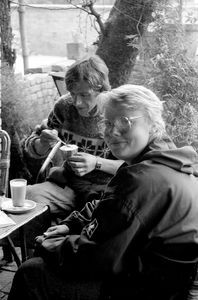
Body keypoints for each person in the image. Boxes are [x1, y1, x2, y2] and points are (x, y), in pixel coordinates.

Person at [8, 84, 198, 300]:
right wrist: (71, 224)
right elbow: (108, 208)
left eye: (125, 121)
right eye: (107, 122)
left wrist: (51, 245)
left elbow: (97, 258)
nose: (112, 131)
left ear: (154, 125)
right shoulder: (163, 158)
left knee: (32, 272)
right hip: (147, 270)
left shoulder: (142, 178)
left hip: (146, 288)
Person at [24, 54, 123, 219]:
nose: (77, 102)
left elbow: (136, 166)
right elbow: (30, 147)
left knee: (106, 217)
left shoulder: (117, 112)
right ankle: (39, 243)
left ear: (102, 88)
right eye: (72, 93)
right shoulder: (64, 107)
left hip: (106, 191)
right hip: (67, 186)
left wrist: (97, 163)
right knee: (25, 199)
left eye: (85, 95)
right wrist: (41, 143)